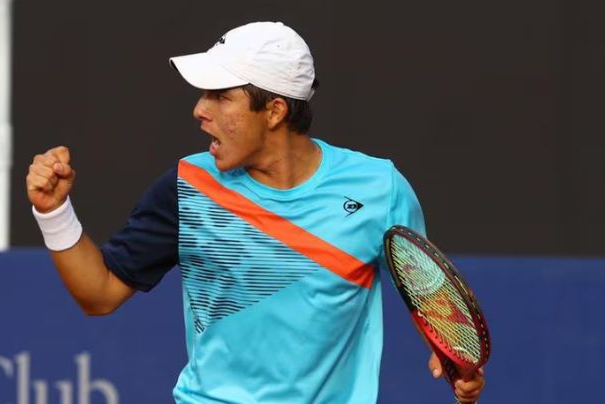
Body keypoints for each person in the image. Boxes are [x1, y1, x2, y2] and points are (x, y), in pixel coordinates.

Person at [26, 21, 485, 403]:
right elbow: (98, 294)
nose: (199, 111)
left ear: (275, 111)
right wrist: (54, 211)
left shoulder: (379, 189)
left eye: (221, 96)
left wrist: (452, 359)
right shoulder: (187, 187)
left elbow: (428, 293)